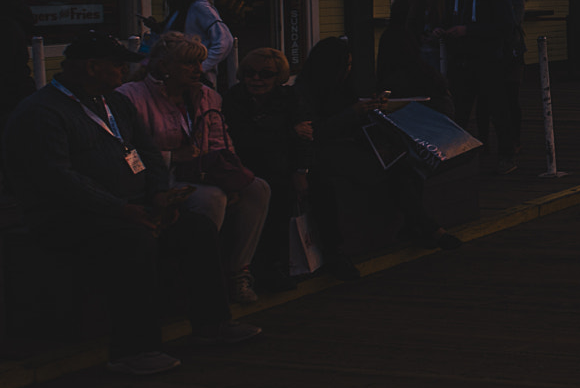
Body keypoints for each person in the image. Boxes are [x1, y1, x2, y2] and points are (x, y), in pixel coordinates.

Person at [1, 32, 260, 375]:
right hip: (68, 216)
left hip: (129, 204)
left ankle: (212, 324)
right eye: (117, 65)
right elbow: (59, 179)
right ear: (91, 67)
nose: (124, 72)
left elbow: (149, 153)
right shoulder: (43, 112)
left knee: (196, 226)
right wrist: (123, 209)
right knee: (133, 241)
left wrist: (157, 195)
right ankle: (132, 349)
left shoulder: (114, 103)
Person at [118, 32, 272, 306]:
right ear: (165, 67)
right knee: (212, 198)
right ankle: (201, 277)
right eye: (189, 63)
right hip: (156, 181)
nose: (198, 70)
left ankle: (238, 270)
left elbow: (219, 140)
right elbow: (124, 153)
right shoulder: (132, 97)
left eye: (199, 63)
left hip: (203, 172)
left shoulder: (207, 96)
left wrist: (232, 175)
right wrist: (170, 157)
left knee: (257, 188)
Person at [303, 36, 462, 267]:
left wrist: (371, 109)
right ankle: (429, 227)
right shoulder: (308, 92)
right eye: (345, 65)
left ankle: (420, 225)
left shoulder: (341, 86)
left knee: (401, 162)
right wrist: (354, 112)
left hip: (349, 143)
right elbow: (317, 131)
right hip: (324, 152)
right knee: (388, 169)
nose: (348, 70)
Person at [220, 47, 308, 293]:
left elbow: (304, 136)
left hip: (281, 168)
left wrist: (301, 170)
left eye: (265, 74)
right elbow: (243, 138)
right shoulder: (234, 98)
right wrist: (288, 132)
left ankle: (274, 267)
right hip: (246, 168)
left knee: (284, 198)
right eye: (249, 73)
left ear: (278, 76)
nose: (256, 79)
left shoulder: (288, 97)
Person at [434, 0, 516, 129]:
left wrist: (469, 30)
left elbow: (506, 26)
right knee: (458, 110)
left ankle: (506, 152)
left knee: (497, 109)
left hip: (488, 60)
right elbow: (447, 18)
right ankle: (459, 149)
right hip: (460, 60)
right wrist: (441, 29)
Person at [145, 0, 236, 92]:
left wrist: (201, 67)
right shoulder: (181, 10)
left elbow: (225, 41)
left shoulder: (199, 7)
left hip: (197, 80)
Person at [483, 0, 527, 171]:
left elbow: (513, 22)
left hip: (511, 53)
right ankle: (488, 142)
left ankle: (514, 139)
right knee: (488, 101)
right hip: (492, 53)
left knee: (511, 98)